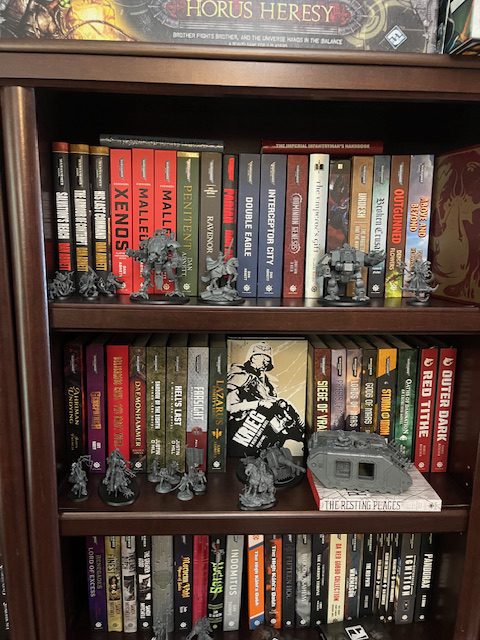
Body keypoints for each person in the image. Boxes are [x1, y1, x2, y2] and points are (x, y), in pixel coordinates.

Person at [227, 341, 303, 456]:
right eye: (259, 357)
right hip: (240, 433)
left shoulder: (268, 384)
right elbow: (228, 407)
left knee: (284, 407)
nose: (263, 362)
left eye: (267, 360)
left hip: (261, 433)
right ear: (251, 358)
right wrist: (258, 403)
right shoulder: (239, 376)